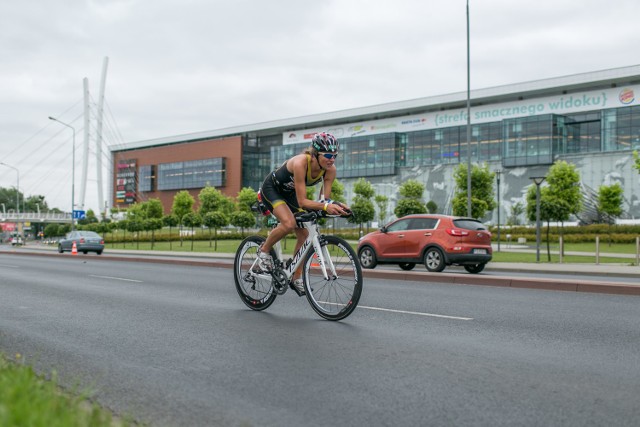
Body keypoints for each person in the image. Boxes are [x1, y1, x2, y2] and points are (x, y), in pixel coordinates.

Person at [257, 132, 350, 296]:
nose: (332, 159)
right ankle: (264, 250)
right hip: (272, 189)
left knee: (306, 234)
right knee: (289, 223)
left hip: (290, 193)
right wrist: (326, 207)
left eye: (335, 155)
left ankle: (296, 277)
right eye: (328, 155)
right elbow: (302, 202)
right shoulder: (301, 162)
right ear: (315, 153)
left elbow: (324, 201)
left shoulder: (330, 171)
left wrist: (337, 206)